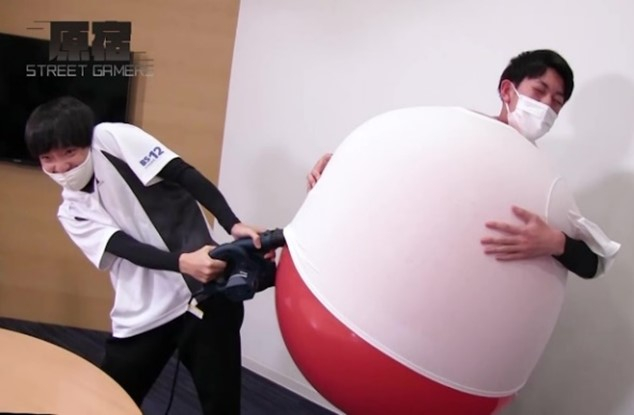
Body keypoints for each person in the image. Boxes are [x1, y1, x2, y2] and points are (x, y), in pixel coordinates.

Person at [25, 96, 267, 414]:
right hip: (143, 313)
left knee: (221, 405)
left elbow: (183, 174)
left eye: (69, 152)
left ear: (87, 140)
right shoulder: (71, 211)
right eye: (48, 159)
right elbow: (125, 247)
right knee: (107, 403)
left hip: (204, 295)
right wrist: (182, 263)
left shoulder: (112, 139)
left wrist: (231, 223)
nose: (61, 167)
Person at [306, 49, 620, 279]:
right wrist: (340, 163)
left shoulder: (542, 180)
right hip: (405, 273)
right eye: (539, 92)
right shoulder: (457, 131)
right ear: (507, 90)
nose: (546, 107)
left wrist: (556, 242)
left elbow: (594, 261)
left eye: (556, 102)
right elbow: (391, 161)